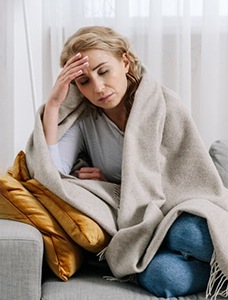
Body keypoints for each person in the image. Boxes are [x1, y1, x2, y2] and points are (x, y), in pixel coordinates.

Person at [42, 25, 214, 297]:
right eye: (84, 81)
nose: (98, 87)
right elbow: (52, 172)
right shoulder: (86, 120)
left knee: (189, 235)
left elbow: (189, 178)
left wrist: (114, 184)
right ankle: (219, 270)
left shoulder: (165, 105)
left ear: (124, 62)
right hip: (135, 228)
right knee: (163, 278)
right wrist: (53, 105)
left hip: (178, 213)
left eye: (103, 71)